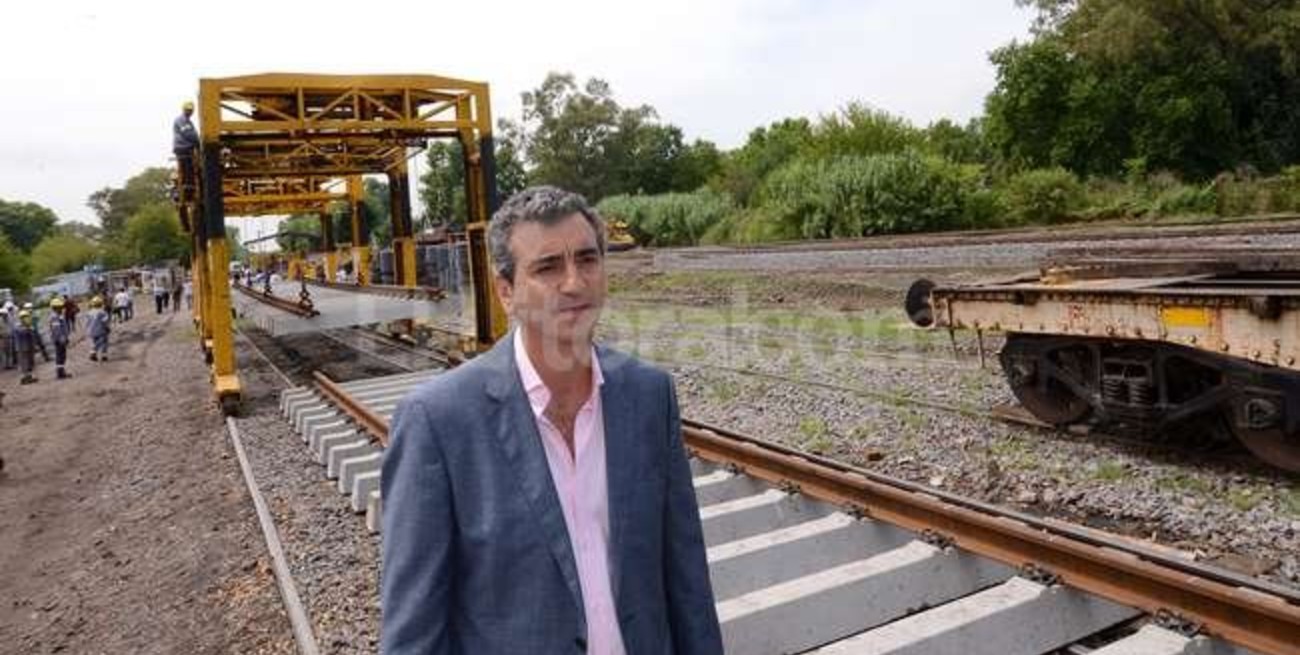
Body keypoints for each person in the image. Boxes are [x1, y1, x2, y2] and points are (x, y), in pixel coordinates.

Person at [381, 186, 722, 655]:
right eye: (547, 267)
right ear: (506, 293)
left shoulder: (649, 396)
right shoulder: (438, 423)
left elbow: (687, 584)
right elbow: (414, 634)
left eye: (586, 260)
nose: (574, 282)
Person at [174, 101, 200, 201]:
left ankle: (190, 189)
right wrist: (199, 143)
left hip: (186, 148)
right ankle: (188, 191)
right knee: (187, 169)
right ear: (183, 109)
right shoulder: (181, 120)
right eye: (187, 110)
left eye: (190, 110)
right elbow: (189, 134)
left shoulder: (187, 121)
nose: (189, 112)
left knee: (190, 169)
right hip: (183, 148)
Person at [47, 297, 71, 379]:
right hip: (59, 339)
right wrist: (62, 338)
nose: (62, 308)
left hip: (62, 338)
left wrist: (66, 337)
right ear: (55, 308)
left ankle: (61, 370)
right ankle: (60, 372)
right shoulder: (54, 317)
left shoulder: (59, 315)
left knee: (62, 355)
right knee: (60, 355)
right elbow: (56, 330)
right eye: (60, 307)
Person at [14, 309, 38, 384]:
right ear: (20, 318)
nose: (26, 318)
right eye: (24, 317)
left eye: (26, 316)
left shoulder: (28, 325)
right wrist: (28, 327)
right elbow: (22, 332)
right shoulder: (18, 326)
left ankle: (29, 377)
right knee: (24, 363)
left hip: (29, 346)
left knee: (30, 362)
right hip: (21, 348)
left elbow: (32, 335)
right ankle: (24, 378)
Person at [87, 296, 111, 362]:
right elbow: (105, 321)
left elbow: (87, 322)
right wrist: (107, 328)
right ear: (101, 303)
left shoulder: (89, 312)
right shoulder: (102, 312)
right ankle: (102, 355)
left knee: (94, 342)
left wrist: (88, 330)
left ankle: (94, 353)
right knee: (104, 342)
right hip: (101, 330)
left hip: (91, 330)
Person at [0, 302, 14, 369]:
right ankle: (5, 365)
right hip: (2, 338)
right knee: (3, 352)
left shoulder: (9, 319)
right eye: (3, 314)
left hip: (9, 337)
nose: (4, 315)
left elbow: (11, 327)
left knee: (9, 351)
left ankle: (10, 364)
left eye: (5, 314)